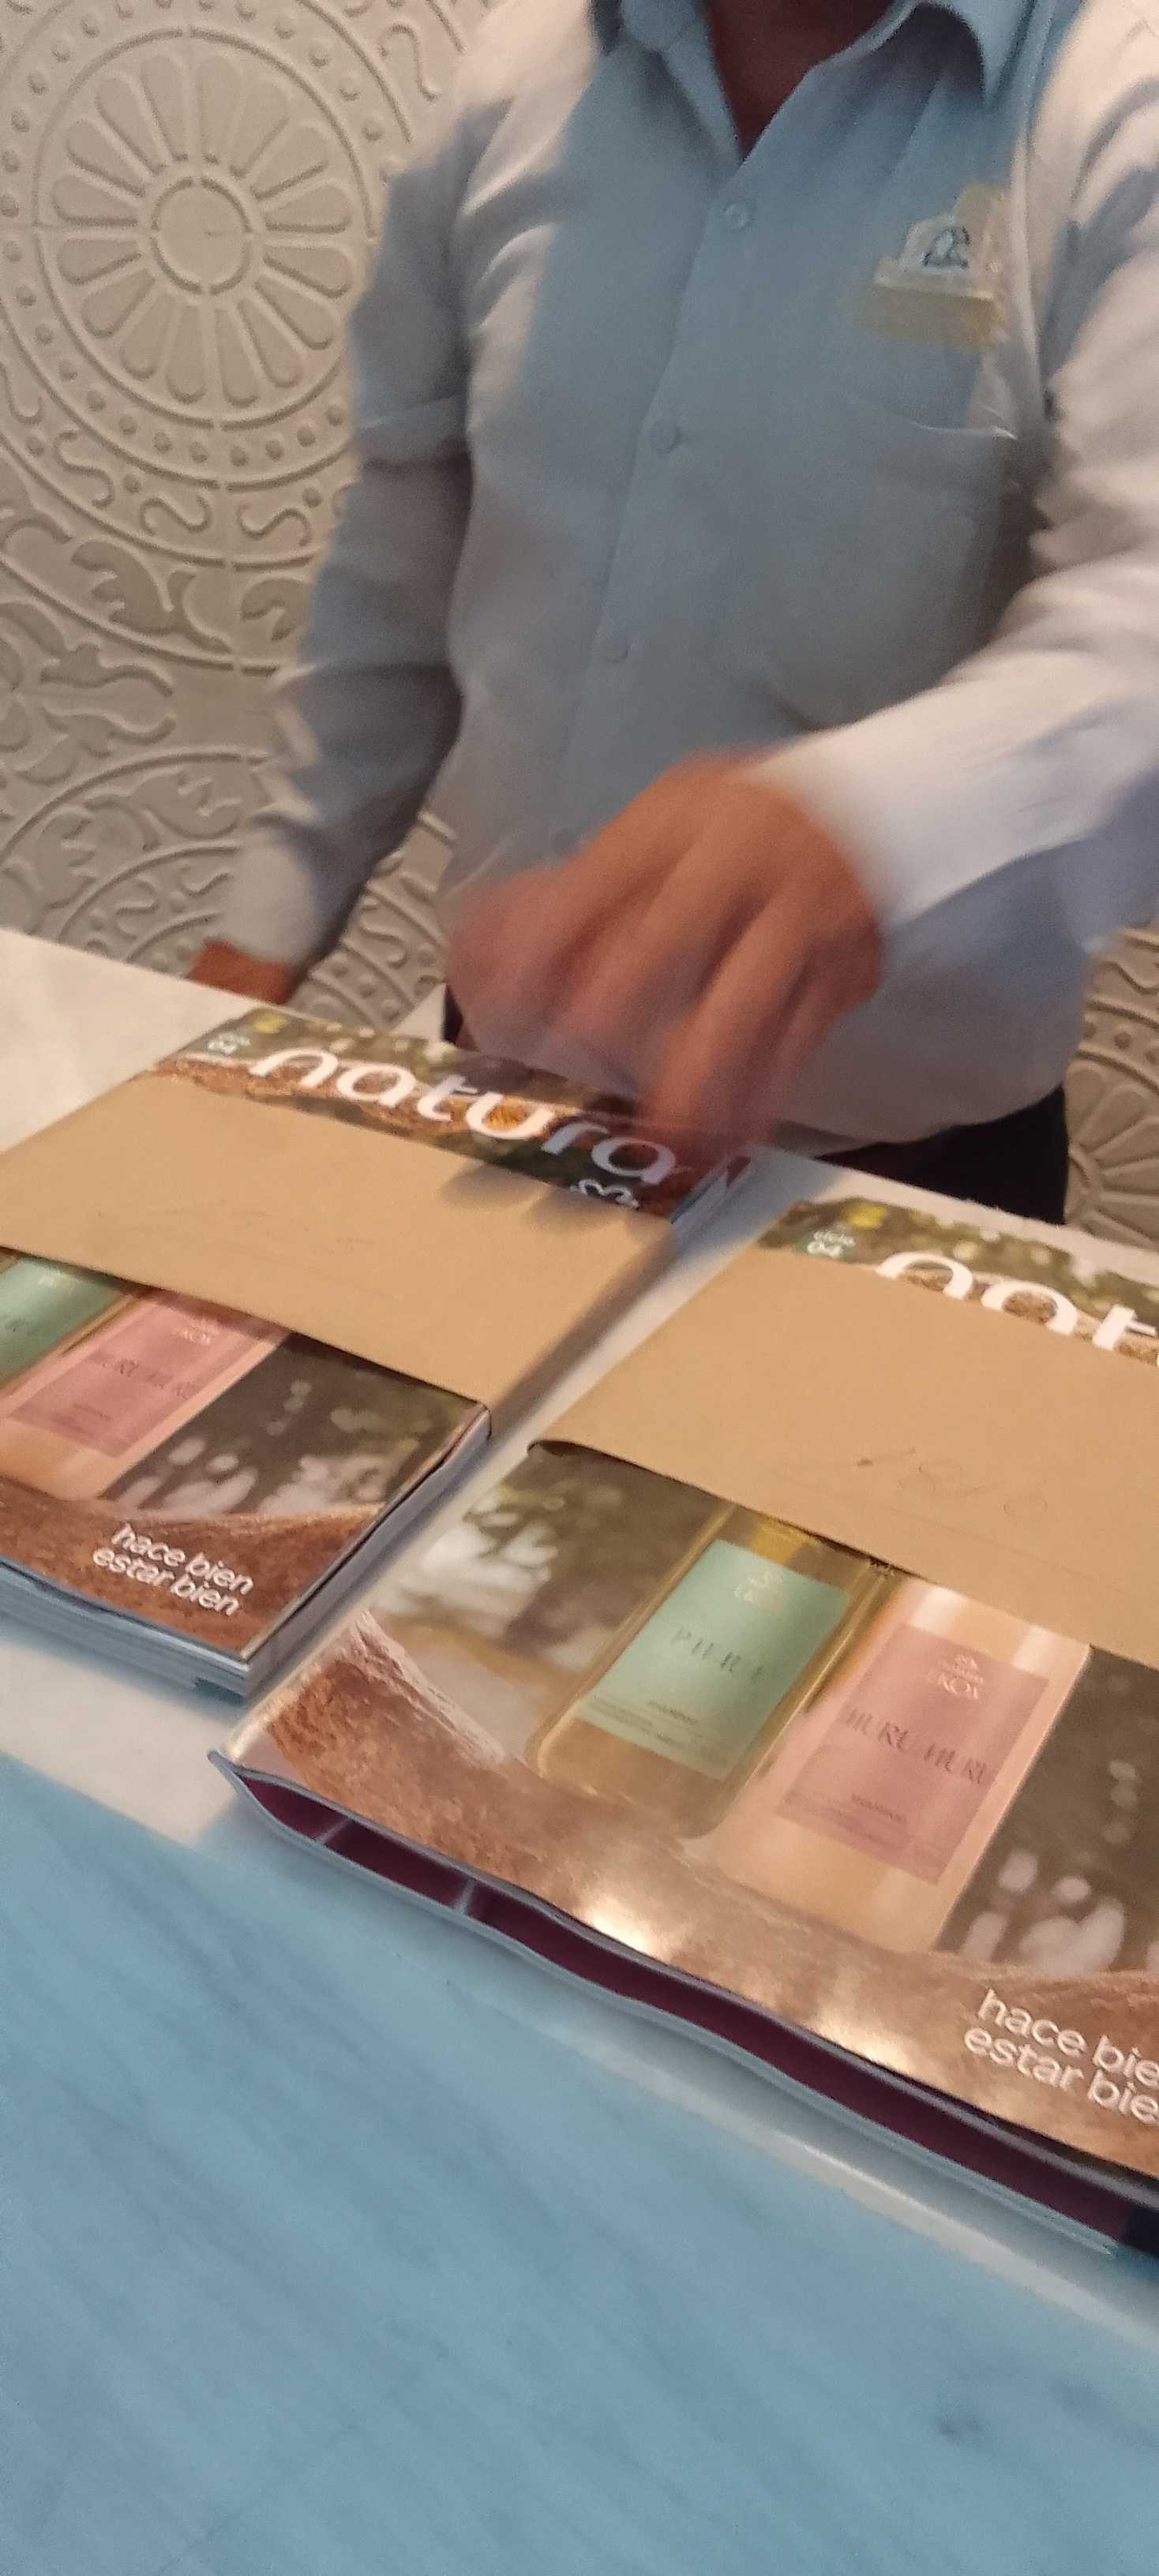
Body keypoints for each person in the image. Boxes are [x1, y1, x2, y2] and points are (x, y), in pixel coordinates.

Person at [190, 0, 1159, 1222]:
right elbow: (409, 536)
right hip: (491, 1106)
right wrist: (258, 933)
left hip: (890, 1189)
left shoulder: (1121, 104)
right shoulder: (519, 67)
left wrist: (877, 827)